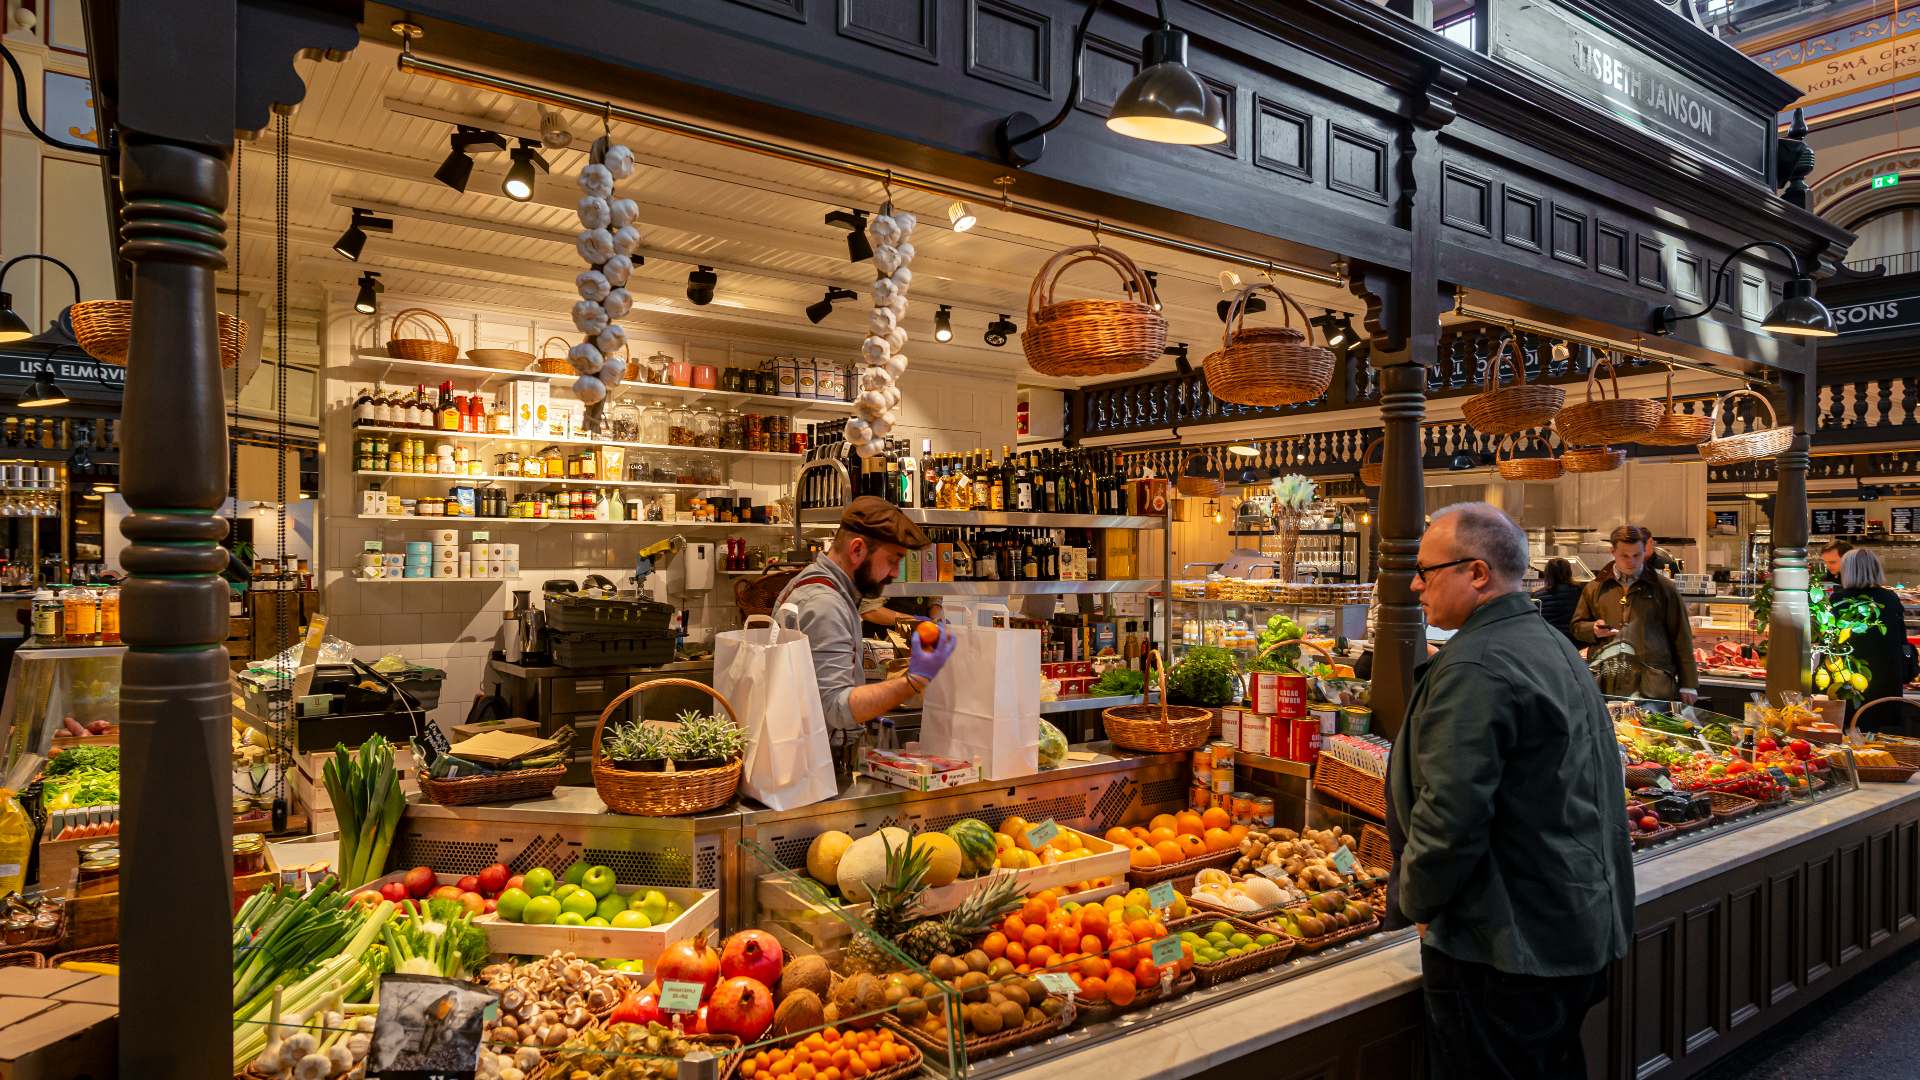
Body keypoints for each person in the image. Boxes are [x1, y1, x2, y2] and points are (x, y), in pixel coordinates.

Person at [1390, 502, 1633, 1078]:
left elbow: (1450, 813)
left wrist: (1417, 901)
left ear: (1477, 573)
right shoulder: (1549, 644)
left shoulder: (1477, 664)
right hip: (1568, 923)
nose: (1414, 584)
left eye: (1426, 571)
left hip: (1504, 944)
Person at [776, 496, 955, 730]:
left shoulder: (810, 580)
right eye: (892, 560)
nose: (894, 573)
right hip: (819, 756)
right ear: (857, 549)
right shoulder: (825, 605)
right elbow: (836, 709)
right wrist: (915, 680)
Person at [1572, 524, 1699, 703]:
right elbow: (1577, 626)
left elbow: (1681, 636)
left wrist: (1689, 683)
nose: (1631, 561)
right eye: (1624, 555)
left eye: (1637, 555)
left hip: (1652, 684)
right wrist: (1592, 629)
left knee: (1651, 731)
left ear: (1644, 551)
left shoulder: (1664, 588)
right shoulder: (1595, 588)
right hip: (1606, 681)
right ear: (1612, 552)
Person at [1835, 548, 1914, 730]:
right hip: (1887, 683)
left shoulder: (1839, 600)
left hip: (1850, 685)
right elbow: (1903, 642)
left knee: (1851, 735)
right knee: (1882, 741)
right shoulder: (1891, 598)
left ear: (1848, 570)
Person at [1533, 558, 1582, 641]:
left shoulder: (1538, 596)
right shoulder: (1579, 592)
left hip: (1549, 639)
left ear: (1548, 574)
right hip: (1575, 640)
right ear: (1569, 572)